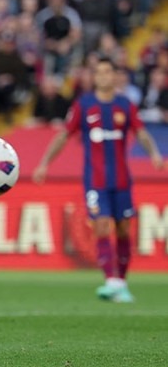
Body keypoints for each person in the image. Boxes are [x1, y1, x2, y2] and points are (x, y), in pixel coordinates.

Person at [33, 57, 163, 302]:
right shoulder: (84, 105)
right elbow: (64, 135)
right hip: (95, 180)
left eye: (107, 72)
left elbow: (142, 133)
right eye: (99, 72)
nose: (103, 76)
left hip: (122, 180)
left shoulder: (125, 106)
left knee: (124, 230)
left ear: (115, 76)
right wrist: (44, 164)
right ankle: (111, 281)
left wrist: (154, 154)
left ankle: (121, 282)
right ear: (94, 77)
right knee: (102, 225)